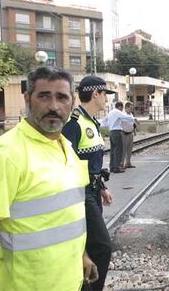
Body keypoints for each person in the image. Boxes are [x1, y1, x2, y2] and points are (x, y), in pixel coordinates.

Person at [0, 67, 98, 291]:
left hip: (71, 280)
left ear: (72, 102)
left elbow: (66, 216)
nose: (53, 106)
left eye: (62, 97)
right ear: (27, 99)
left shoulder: (65, 146)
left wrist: (82, 256)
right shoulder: (6, 154)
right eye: (44, 96)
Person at [62, 75, 114, 291]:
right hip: (81, 194)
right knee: (103, 247)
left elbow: (91, 163)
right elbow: (68, 164)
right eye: (105, 95)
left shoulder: (91, 121)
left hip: (93, 190)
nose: (107, 100)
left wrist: (102, 187)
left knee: (91, 245)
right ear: (96, 94)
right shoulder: (74, 124)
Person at [101, 101, 135, 173]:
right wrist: (134, 118)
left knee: (113, 150)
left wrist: (109, 126)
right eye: (122, 108)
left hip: (111, 132)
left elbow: (104, 121)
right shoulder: (117, 112)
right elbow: (125, 117)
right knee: (118, 150)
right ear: (120, 107)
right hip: (116, 132)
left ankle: (112, 167)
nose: (122, 110)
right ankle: (117, 167)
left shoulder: (110, 112)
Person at [121, 101, 138, 168]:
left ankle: (128, 163)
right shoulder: (123, 115)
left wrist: (134, 131)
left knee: (129, 150)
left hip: (130, 134)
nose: (132, 110)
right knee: (124, 150)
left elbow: (133, 123)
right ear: (126, 108)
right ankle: (122, 164)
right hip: (124, 134)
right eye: (131, 108)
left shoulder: (131, 114)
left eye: (132, 108)